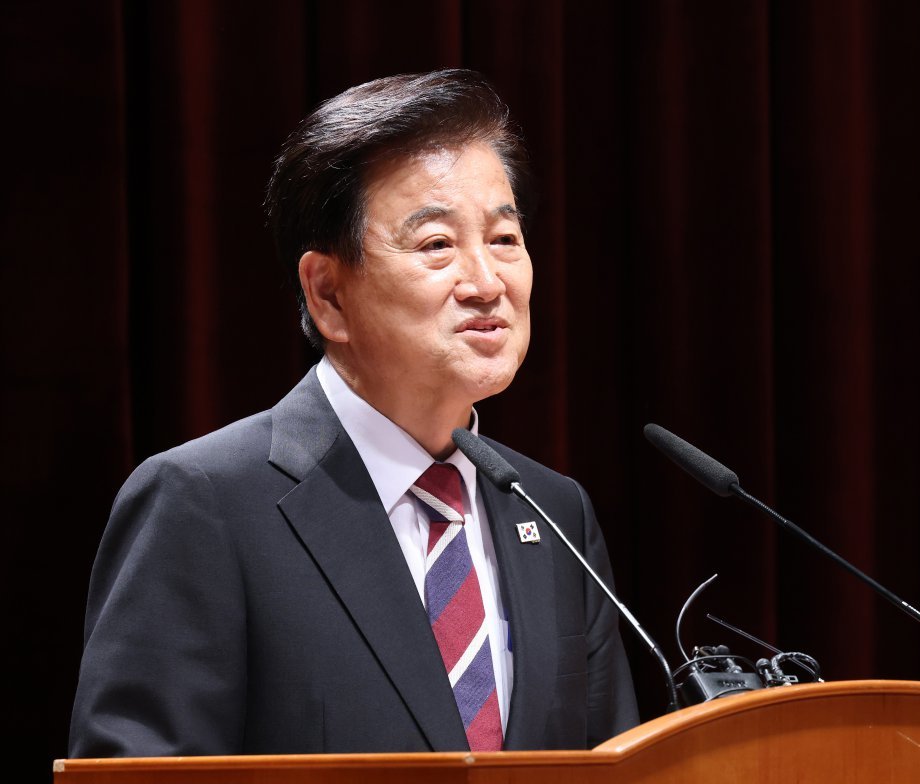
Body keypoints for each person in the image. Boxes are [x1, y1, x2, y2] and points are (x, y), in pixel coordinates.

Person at [68, 69, 638, 757]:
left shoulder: (553, 513)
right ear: (328, 294)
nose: (488, 283)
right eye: (437, 245)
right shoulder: (204, 502)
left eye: (504, 239)